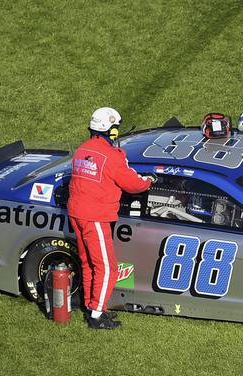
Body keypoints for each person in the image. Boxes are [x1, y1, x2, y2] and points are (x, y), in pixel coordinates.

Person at [67, 107, 154, 330]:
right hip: (94, 216)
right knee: (107, 267)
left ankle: (90, 306)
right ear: (111, 130)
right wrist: (148, 181)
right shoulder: (112, 156)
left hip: (76, 213)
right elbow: (132, 183)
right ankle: (97, 315)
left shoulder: (81, 150)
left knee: (88, 263)